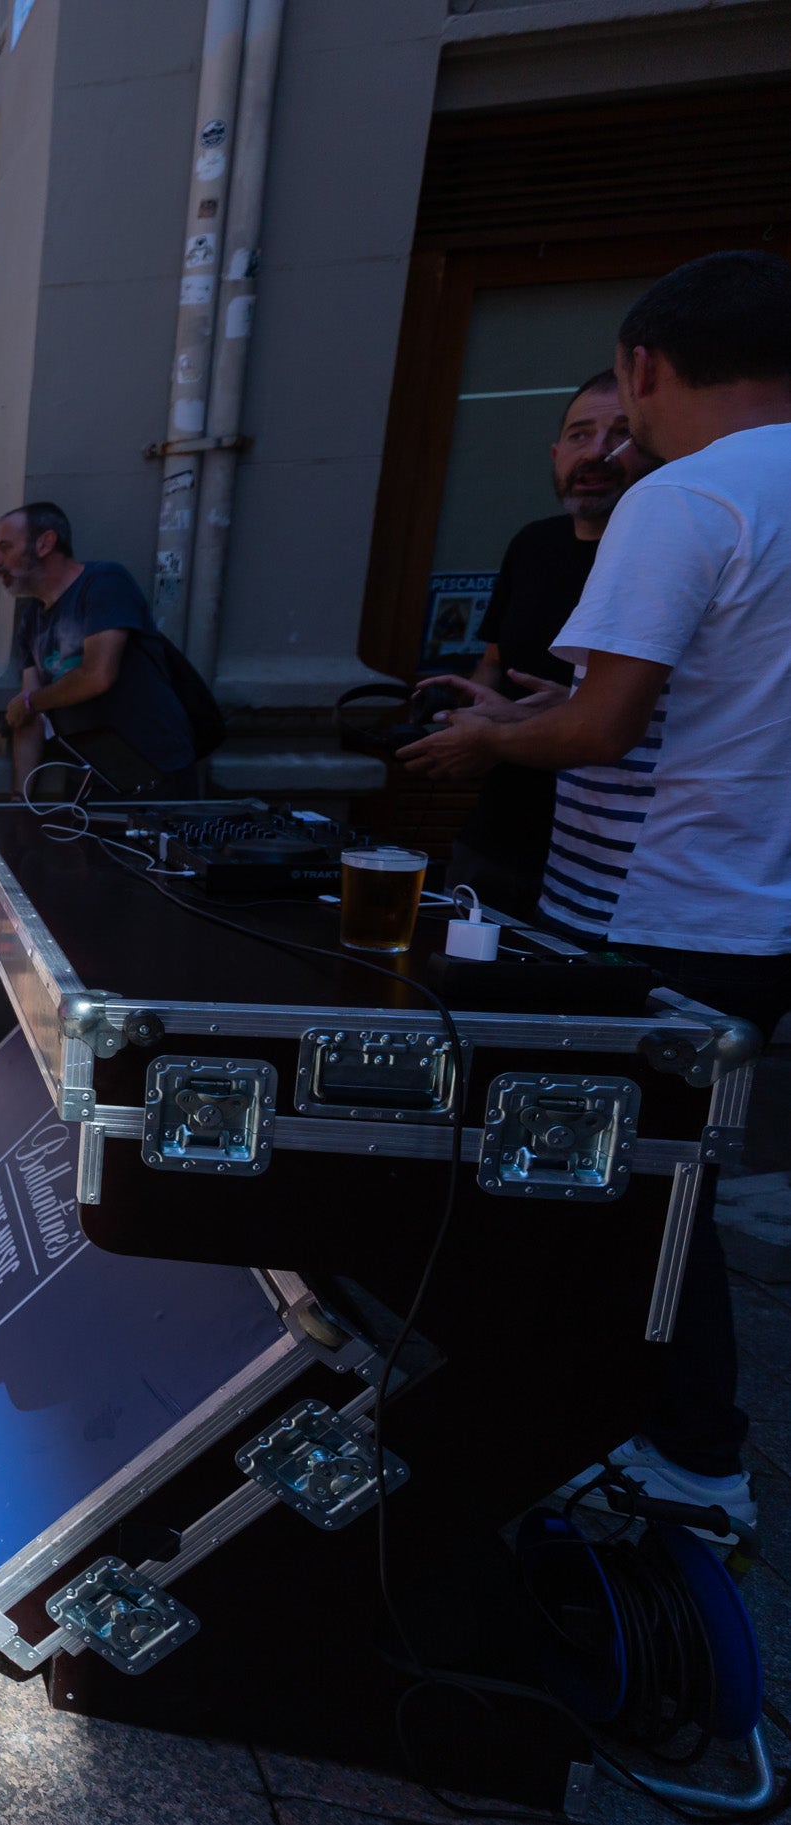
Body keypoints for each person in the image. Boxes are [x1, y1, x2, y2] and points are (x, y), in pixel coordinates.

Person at [405, 250, 791, 1536]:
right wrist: (531, 708)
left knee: (616, 1191)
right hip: (762, 911)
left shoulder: (686, 501)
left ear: (642, 367)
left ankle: (683, 1459)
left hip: (655, 903)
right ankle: (663, 1437)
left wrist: (488, 739)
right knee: (665, 1179)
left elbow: (606, 730)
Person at [441, 372, 636, 915]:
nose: (596, 453)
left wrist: (574, 710)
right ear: (555, 453)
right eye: (579, 435)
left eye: (622, 434)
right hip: (496, 836)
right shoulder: (533, 543)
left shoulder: (659, 557)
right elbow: (494, 661)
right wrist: (472, 710)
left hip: (608, 859)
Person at [0, 503, 198, 794]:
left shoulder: (105, 583)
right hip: (89, 776)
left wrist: (30, 702)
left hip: (154, 773)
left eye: (5, 547)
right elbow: (30, 720)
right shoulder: (31, 618)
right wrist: (18, 801)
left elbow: (97, 675)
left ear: (44, 544)